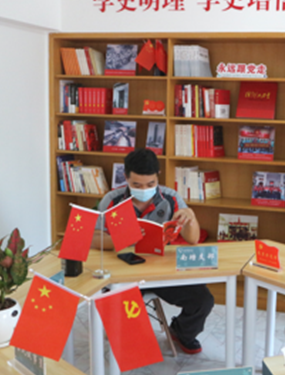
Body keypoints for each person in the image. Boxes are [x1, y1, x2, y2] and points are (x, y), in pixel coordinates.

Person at [91, 148, 213, 354]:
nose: (144, 189)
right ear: (126, 178)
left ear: (158, 176)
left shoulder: (171, 197)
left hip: (162, 269)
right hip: (125, 271)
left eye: (150, 184)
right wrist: (124, 237)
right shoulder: (112, 200)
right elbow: (95, 239)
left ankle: (182, 332)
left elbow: (192, 239)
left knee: (203, 300)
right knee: (130, 338)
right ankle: (125, 335)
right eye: (136, 185)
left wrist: (190, 217)